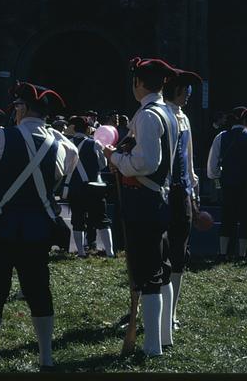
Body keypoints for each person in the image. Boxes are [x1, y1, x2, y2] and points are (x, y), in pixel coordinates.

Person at [0, 82, 77, 371]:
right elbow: (59, 177)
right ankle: (46, 357)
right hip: (37, 230)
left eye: (16, 106)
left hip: (0, 227)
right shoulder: (61, 146)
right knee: (39, 291)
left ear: (22, 108)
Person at [103, 57, 179, 356]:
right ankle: (162, 338)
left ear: (138, 82)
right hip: (157, 198)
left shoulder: (148, 115)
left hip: (145, 200)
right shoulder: (169, 112)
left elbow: (147, 163)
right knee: (159, 270)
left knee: (148, 274)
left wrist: (116, 158)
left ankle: (151, 347)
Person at [163, 68, 202, 329]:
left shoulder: (184, 118)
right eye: (186, 90)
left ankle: (172, 312)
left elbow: (188, 160)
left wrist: (193, 189)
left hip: (182, 194)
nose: (188, 95)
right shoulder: (158, 115)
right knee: (158, 255)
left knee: (179, 254)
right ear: (176, 90)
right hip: (161, 193)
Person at [206, 106, 247, 258]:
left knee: (226, 216)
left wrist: (218, 180)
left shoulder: (221, 137)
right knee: (245, 218)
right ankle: (242, 254)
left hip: (227, 183)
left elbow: (212, 167)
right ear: (245, 120)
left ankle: (223, 253)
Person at [63, 116, 113, 258]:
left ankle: (80, 252)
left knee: (77, 220)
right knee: (102, 220)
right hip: (93, 187)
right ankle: (110, 252)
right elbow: (102, 164)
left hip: (75, 187)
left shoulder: (67, 144)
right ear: (87, 129)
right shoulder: (94, 143)